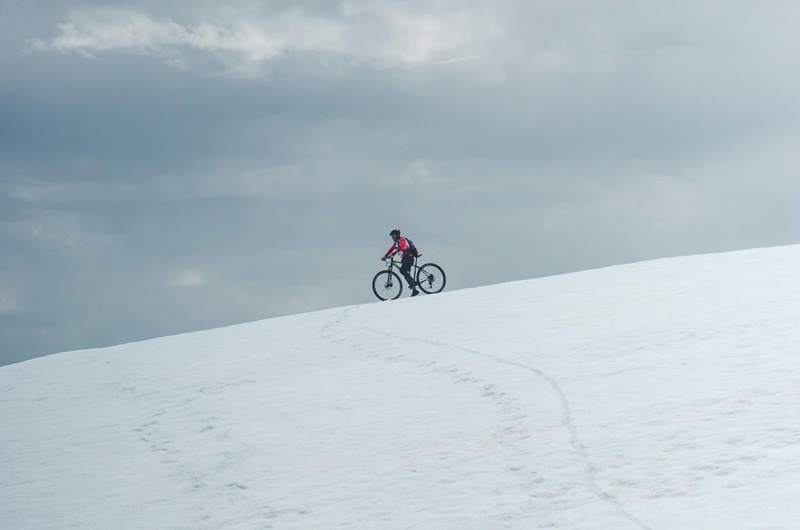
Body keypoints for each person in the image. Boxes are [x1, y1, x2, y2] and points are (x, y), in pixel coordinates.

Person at [382, 229, 419, 296]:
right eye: (392, 237)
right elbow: (391, 249)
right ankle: (414, 290)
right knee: (406, 275)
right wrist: (385, 256)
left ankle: (413, 282)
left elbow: (402, 247)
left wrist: (394, 253)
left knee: (402, 270)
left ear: (397, 235)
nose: (392, 238)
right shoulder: (396, 243)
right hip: (406, 259)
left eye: (393, 236)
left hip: (409, 258)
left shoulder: (402, 240)